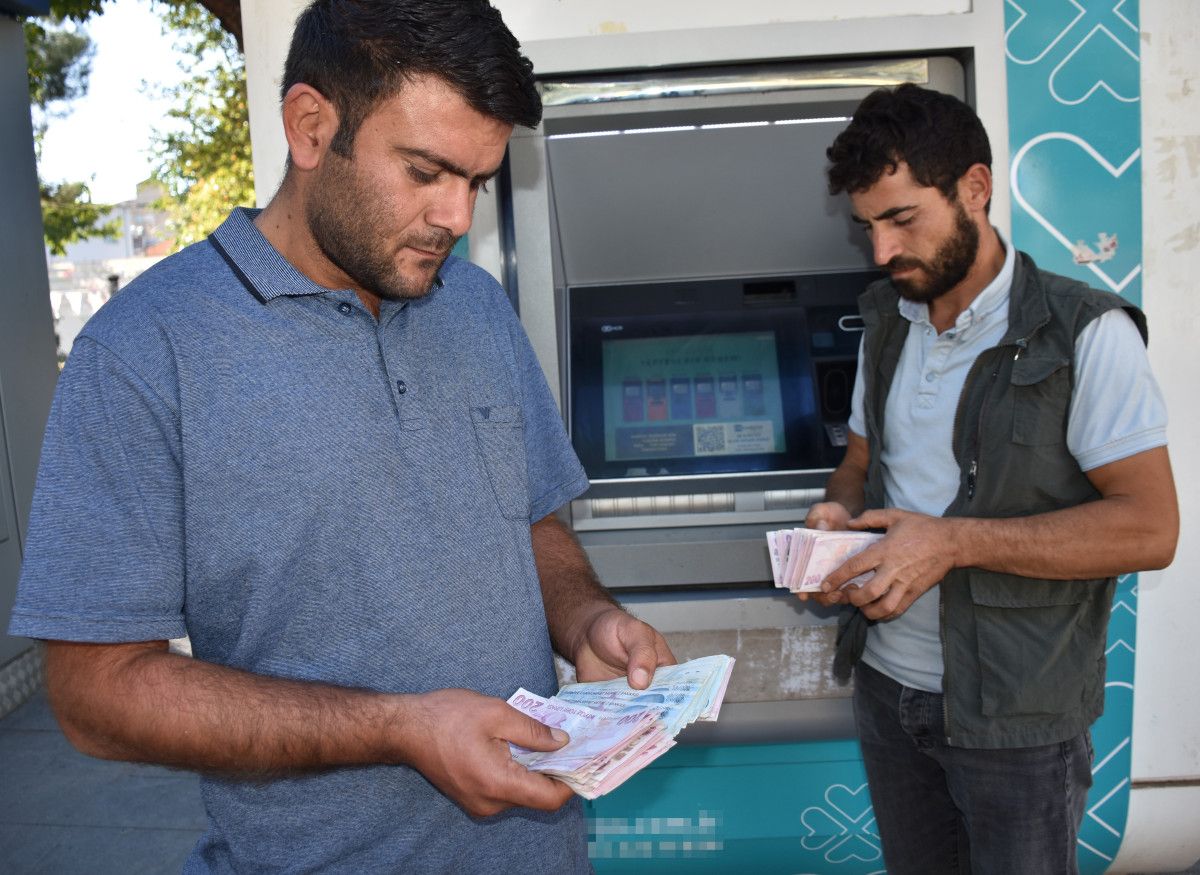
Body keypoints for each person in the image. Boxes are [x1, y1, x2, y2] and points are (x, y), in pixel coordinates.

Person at [7, 1, 675, 872]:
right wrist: (398, 727)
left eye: (477, 181)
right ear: (311, 127)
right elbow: (96, 694)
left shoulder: (476, 308)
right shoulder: (143, 354)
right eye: (426, 171)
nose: (457, 216)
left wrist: (587, 619)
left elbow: (531, 521)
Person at [801, 83, 1178, 874]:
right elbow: (861, 465)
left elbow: (1150, 527)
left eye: (903, 219)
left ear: (974, 187)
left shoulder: (1086, 333)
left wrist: (953, 543)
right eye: (868, 226)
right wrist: (835, 518)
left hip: (1018, 716)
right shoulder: (886, 320)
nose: (882, 251)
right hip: (887, 687)